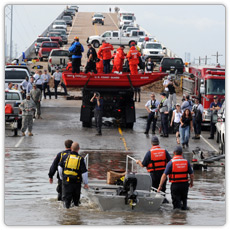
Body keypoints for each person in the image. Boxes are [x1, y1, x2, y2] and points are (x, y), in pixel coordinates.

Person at [136, 136, 171, 203]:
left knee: (154, 189)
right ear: (158, 143)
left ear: (151, 143)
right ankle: (163, 200)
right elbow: (170, 162)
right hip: (163, 174)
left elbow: (143, 165)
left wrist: (138, 162)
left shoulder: (150, 153)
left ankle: (155, 202)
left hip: (154, 174)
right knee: (162, 189)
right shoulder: (164, 151)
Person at [157, 146, 194, 210]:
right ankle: (184, 217)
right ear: (182, 153)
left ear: (174, 153)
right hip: (185, 185)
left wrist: (160, 186)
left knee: (176, 206)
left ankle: (176, 217)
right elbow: (192, 174)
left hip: (175, 186)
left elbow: (164, 175)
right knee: (184, 202)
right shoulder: (186, 162)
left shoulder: (171, 163)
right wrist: (191, 182)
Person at [58, 142, 89, 209]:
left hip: (66, 182)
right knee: (76, 202)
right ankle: (75, 216)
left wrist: (61, 178)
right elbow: (84, 173)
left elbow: (59, 168)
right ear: (79, 149)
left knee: (66, 201)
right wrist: (85, 183)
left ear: (71, 148)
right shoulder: (81, 159)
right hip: (76, 182)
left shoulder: (65, 156)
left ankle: (67, 214)